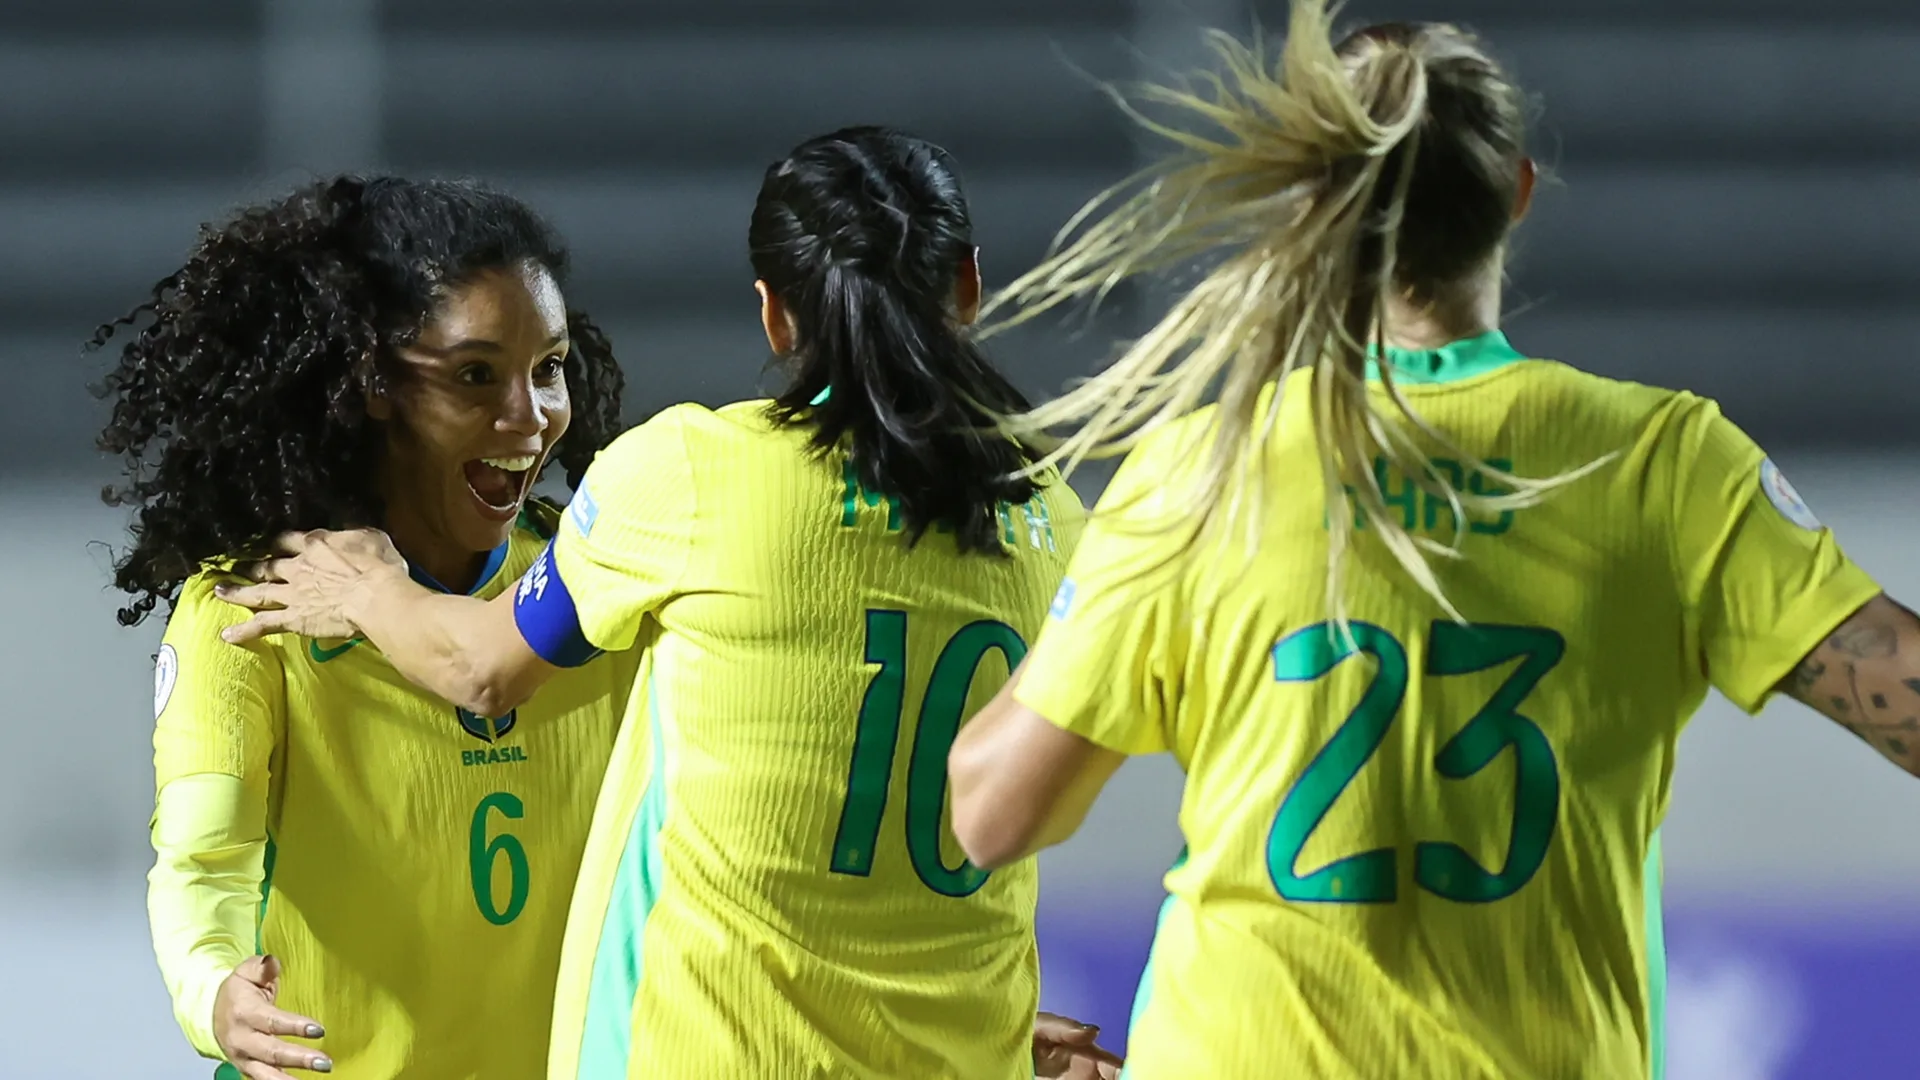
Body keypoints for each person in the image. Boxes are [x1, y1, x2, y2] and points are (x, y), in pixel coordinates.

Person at [944, 6, 1915, 1079]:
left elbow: (992, 814)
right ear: (1515, 193)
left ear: (1313, 208)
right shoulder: (1663, 465)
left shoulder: (1199, 471)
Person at [215, 128, 1120, 1079]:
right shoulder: (1059, 521)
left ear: (774, 313)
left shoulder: (693, 471)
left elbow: (480, 669)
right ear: (969, 287)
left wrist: (370, 586)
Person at [96, 175, 636, 1079]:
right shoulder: (253, 608)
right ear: (375, 384)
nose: (530, 416)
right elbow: (203, 867)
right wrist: (215, 992)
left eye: (549, 368)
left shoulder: (598, 578)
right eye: (475, 374)